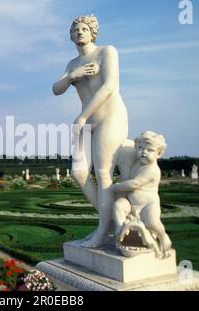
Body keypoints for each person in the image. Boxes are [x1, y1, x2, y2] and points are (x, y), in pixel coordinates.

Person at [53, 14, 128, 247]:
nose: (79, 32)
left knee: (104, 174)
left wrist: (83, 115)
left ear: (93, 31)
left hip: (109, 118)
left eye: (84, 28)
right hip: (87, 122)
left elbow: (109, 86)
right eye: (75, 30)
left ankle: (102, 231)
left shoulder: (107, 52)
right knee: (79, 173)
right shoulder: (72, 64)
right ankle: (116, 222)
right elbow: (56, 89)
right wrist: (72, 77)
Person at [111, 131, 172, 253]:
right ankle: (120, 229)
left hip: (148, 205)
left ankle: (163, 236)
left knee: (153, 223)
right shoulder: (138, 163)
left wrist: (116, 187)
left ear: (159, 153)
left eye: (149, 150)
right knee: (118, 205)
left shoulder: (152, 170)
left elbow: (134, 184)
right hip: (131, 203)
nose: (144, 152)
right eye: (140, 148)